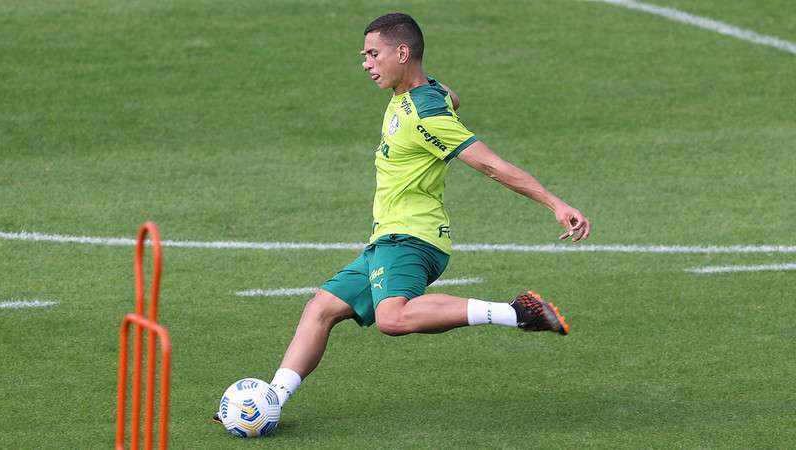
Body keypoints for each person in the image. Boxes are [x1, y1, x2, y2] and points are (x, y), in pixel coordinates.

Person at [217, 12, 590, 421]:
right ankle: (270, 402)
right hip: (385, 240)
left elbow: (491, 165)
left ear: (402, 51)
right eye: (364, 55)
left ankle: (517, 311)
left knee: (391, 318)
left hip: (414, 238)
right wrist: (434, 92)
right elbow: (451, 95)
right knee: (320, 309)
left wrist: (555, 203)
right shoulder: (416, 97)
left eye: (374, 54)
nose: (366, 63)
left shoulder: (424, 114)